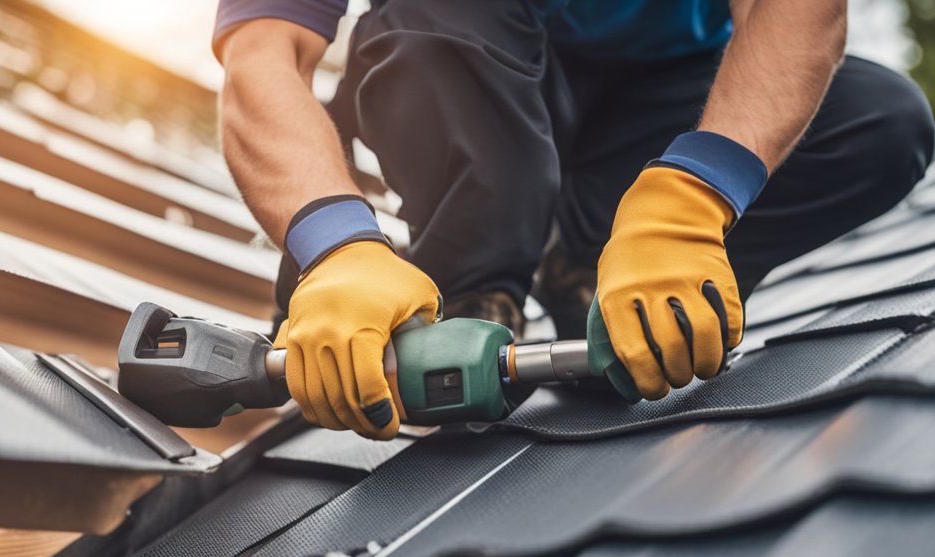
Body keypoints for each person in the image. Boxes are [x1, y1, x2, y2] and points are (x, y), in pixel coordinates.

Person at [213, 0, 934, 439]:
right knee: (437, 18)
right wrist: (336, 249)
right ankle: (474, 281)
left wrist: (689, 204)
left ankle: (592, 268)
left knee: (882, 122)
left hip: (663, 103)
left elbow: (797, 11)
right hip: (481, 74)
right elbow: (262, 54)